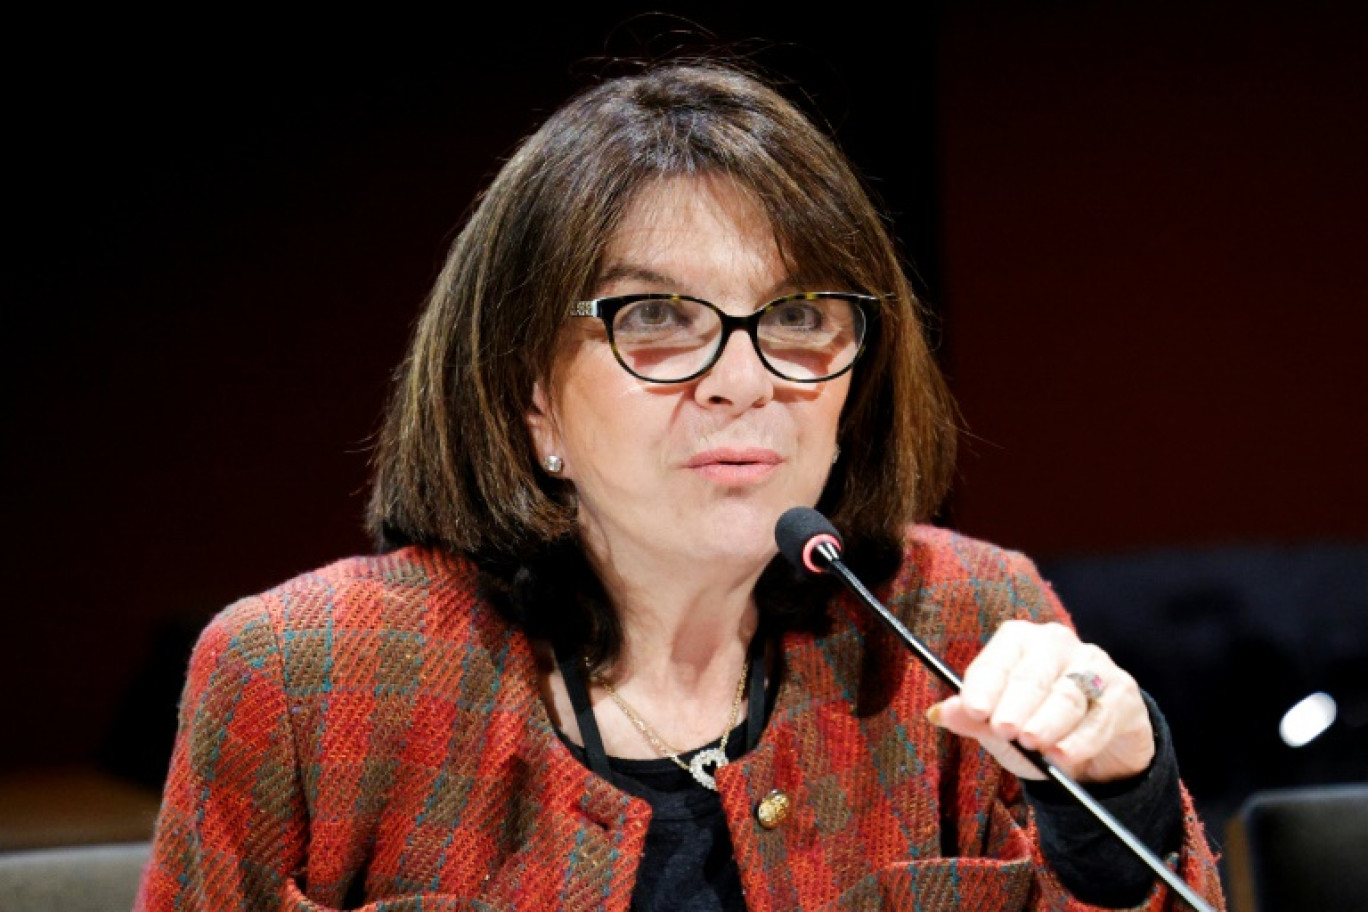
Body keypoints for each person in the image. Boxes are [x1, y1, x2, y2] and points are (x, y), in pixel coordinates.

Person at [135, 54, 1227, 911]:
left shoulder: (962, 621)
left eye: (798, 317)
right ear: (529, 395)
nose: (745, 381)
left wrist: (1119, 794)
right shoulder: (307, 684)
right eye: (656, 318)